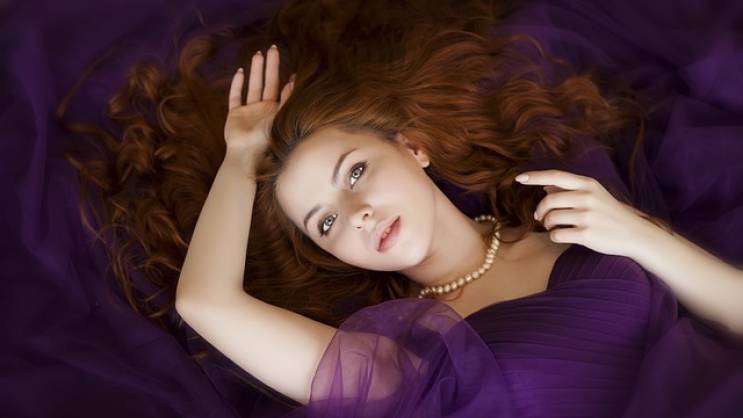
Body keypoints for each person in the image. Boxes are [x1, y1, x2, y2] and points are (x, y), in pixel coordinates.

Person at [64, 0, 743, 416]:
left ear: (413, 146)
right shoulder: (398, 360)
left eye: (355, 172)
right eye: (325, 222)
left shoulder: (572, 222)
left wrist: (642, 237)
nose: (356, 212)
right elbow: (206, 303)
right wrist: (243, 156)